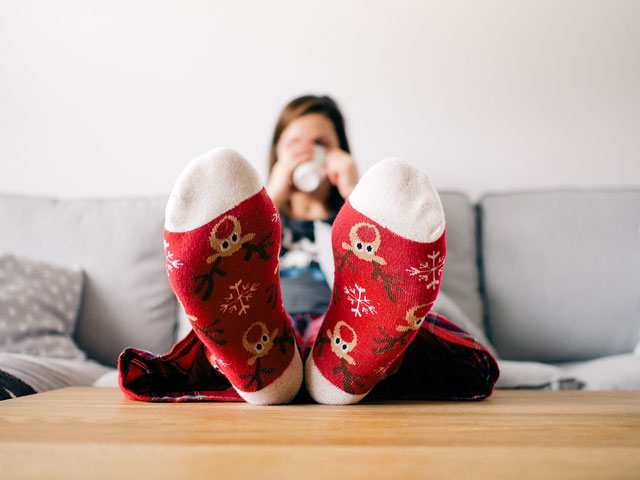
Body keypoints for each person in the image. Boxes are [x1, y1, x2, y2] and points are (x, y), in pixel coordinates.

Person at [118, 94, 499, 406]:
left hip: (347, 325)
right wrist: (271, 196)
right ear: (276, 158)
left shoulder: (365, 224)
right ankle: (277, 370)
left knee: (392, 333)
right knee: (229, 334)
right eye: (295, 145)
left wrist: (356, 192)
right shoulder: (253, 224)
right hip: (262, 324)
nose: (308, 153)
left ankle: (328, 370)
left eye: (322, 145)